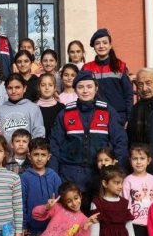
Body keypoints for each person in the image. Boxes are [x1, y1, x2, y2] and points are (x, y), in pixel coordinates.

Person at [50, 70, 128, 203]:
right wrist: (54, 174)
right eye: (80, 87)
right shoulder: (65, 113)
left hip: (100, 176)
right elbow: (55, 144)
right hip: (70, 176)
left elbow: (121, 141)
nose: (85, 91)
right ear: (75, 89)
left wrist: (115, 171)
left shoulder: (107, 111)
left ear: (96, 88)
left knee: (98, 218)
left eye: (89, 86)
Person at [83, 29, 134, 126]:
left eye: (105, 43)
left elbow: (128, 94)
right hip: (94, 115)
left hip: (118, 116)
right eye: (97, 43)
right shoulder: (86, 68)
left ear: (110, 46)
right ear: (94, 47)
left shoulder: (120, 66)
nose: (101, 46)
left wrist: (129, 117)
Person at [0, 74, 45, 144]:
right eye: (10, 88)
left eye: (17, 87)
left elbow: (39, 133)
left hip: (28, 153)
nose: (13, 91)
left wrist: (33, 150)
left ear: (24, 88)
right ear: (5, 89)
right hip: (6, 154)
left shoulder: (33, 108)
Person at [36, 73, 64, 139]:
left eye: (50, 85)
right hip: (38, 146)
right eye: (43, 85)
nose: (47, 88)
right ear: (38, 87)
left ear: (55, 88)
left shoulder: (61, 107)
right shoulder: (33, 107)